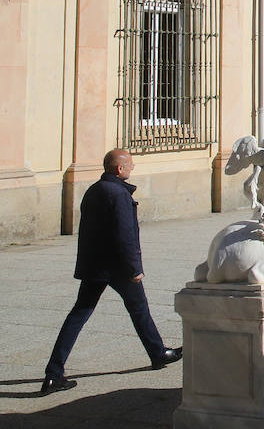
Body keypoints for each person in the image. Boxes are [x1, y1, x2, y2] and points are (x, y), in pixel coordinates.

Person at [40, 149, 183, 394]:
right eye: (130, 164)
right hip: (117, 266)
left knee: (79, 314)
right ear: (119, 169)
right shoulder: (118, 194)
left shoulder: (94, 190)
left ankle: (53, 374)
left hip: (94, 265)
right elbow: (125, 235)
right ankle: (158, 353)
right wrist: (134, 268)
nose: (133, 167)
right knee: (139, 309)